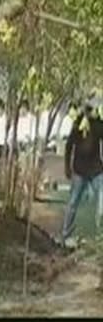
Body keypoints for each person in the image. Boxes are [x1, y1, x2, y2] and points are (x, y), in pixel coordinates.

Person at [60, 97, 103, 247]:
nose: (90, 112)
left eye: (92, 109)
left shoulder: (98, 124)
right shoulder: (78, 123)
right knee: (73, 202)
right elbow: (68, 146)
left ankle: (100, 235)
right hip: (79, 170)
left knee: (101, 201)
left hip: (96, 170)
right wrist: (67, 166)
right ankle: (66, 234)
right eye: (88, 109)